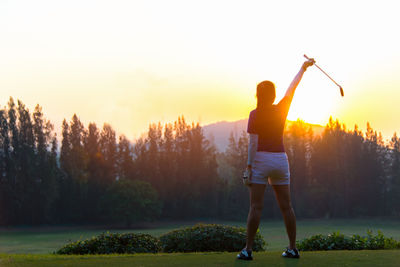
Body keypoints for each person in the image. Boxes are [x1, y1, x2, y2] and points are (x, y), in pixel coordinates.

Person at [237, 58, 315, 261]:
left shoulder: (254, 114)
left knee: (255, 207)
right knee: (287, 207)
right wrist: (303, 68)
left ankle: (248, 250)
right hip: (281, 160)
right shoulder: (281, 109)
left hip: (261, 160)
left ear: (258, 95)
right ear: (272, 95)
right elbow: (292, 88)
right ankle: (292, 248)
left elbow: (253, 144)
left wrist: (249, 167)